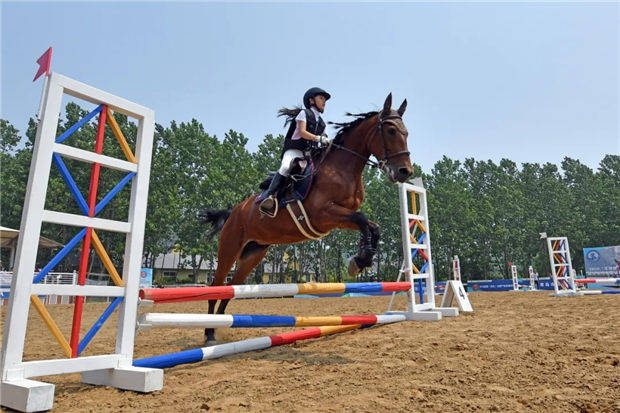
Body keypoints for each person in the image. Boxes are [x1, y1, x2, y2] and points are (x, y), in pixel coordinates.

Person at [259, 87, 333, 217]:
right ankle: (270, 196)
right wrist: (318, 138)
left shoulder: (322, 123)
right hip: (294, 151)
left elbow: (323, 138)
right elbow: (303, 133)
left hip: (308, 156)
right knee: (286, 166)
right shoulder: (304, 114)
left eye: (325, 99)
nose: (324, 101)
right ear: (311, 100)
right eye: (321, 98)